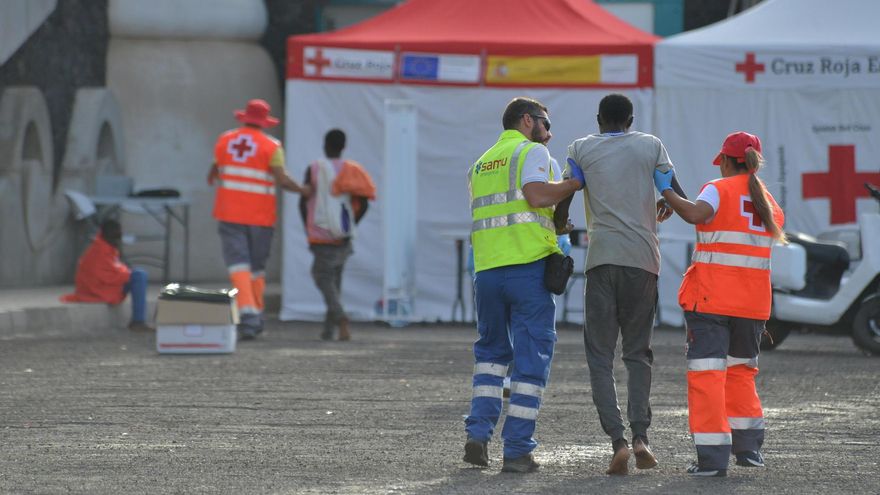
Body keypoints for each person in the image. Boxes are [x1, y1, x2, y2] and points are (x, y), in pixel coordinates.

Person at [463, 97, 585, 473]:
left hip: (487, 274)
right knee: (531, 361)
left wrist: (553, 219)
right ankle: (516, 450)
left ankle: (478, 436)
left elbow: (512, 212)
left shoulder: (481, 163)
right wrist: (573, 183)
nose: (549, 132)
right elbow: (535, 195)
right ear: (527, 120)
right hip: (527, 271)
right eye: (545, 123)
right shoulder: (530, 151)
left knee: (491, 357)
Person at [559, 93, 678, 475]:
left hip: (602, 260)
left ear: (598, 119)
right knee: (638, 353)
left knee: (600, 355)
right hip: (644, 262)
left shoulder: (580, 148)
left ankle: (618, 442)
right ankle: (642, 435)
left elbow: (568, 191)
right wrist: (671, 204)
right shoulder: (650, 145)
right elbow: (673, 190)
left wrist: (560, 222)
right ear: (630, 119)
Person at [654, 131, 784, 477]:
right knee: (741, 373)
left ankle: (712, 460)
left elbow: (698, 215)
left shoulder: (717, 187)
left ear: (726, 160)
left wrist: (665, 190)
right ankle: (749, 448)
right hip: (752, 305)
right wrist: (677, 198)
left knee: (707, 377)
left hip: (711, 301)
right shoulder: (768, 203)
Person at [207, 99, 310, 340]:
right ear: (264, 122)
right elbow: (282, 180)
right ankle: (254, 316)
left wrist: (214, 177)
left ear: (244, 118)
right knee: (255, 269)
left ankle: (251, 316)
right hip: (260, 218)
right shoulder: (272, 146)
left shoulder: (225, 140)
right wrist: (304, 191)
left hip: (230, 213)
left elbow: (214, 169)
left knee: (238, 267)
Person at [298, 129, 375, 341]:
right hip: (343, 235)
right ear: (343, 147)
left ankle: (340, 318)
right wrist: (351, 225)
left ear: (324, 145)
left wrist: (308, 228)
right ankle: (328, 330)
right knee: (335, 282)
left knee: (322, 276)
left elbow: (303, 202)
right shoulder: (353, 170)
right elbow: (365, 202)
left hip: (320, 235)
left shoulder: (314, 169)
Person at [61, 219, 151, 331]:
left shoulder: (104, 247)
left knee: (137, 275)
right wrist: (127, 274)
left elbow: (114, 271)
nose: (118, 239)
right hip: (98, 291)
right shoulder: (100, 250)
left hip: (100, 289)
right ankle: (138, 321)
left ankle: (138, 320)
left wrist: (125, 273)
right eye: (116, 235)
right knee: (139, 276)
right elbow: (108, 276)